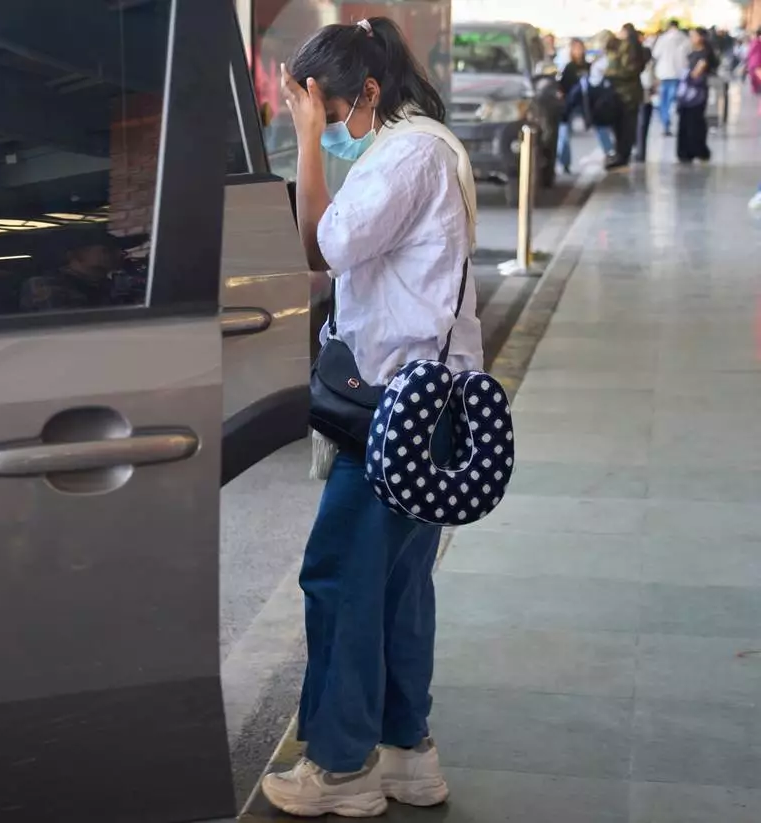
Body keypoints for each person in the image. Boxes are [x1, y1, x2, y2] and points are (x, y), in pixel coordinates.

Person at [264, 16, 481, 818]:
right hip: (430, 400)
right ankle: (406, 751)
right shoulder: (423, 147)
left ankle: (342, 766)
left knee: (339, 577)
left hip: (396, 404)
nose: (319, 119)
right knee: (395, 584)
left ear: (367, 93)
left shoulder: (408, 153)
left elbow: (320, 247)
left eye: (322, 104)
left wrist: (311, 141)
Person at [20, 237, 128, 312]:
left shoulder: (109, 285)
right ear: (74, 255)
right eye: (107, 250)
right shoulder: (44, 284)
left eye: (120, 250)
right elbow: (67, 324)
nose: (120, 254)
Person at [603, 24, 648, 168]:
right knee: (623, 127)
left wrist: (610, 75)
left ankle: (622, 155)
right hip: (625, 94)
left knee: (625, 127)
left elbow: (629, 70)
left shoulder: (630, 47)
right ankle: (621, 154)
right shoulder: (628, 47)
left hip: (626, 94)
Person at [677, 28, 718, 164]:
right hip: (688, 93)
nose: (691, 39)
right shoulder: (692, 53)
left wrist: (687, 75)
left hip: (696, 93)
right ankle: (687, 151)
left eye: (693, 36)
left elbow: (696, 73)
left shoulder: (704, 55)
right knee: (686, 121)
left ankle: (696, 150)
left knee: (695, 122)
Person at [557, 38, 591, 174]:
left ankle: (610, 153)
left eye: (580, 48)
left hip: (587, 103)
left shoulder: (589, 66)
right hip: (570, 104)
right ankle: (565, 162)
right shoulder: (569, 68)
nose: (578, 51)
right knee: (564, 134)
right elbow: (563, 86)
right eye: (575, 48)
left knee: (602, 127)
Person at [652, 19, 692, 136]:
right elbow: (688, 55)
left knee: (663, 100)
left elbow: (655, 54)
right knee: (674, 99)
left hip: (664, 73)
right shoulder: (685, 39)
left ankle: (666, 123)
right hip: (679, 73)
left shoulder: (662, 39)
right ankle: (674, 120)